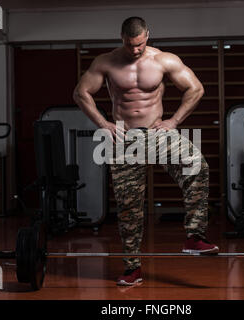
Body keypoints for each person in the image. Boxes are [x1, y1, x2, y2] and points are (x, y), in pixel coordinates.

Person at [73, 16, 219, 286]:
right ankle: (132, 268)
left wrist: (174, 121)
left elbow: (195, 89)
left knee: (197, 166)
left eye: (139, 44)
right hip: (125, 138)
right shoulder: (106, 61)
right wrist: (103, 123)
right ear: (121, 38)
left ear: (147, 36)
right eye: (130, 45)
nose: (135, 50)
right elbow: (81, 93)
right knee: (129, 207)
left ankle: (194, 236)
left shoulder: (164, 60)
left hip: (157, 133)